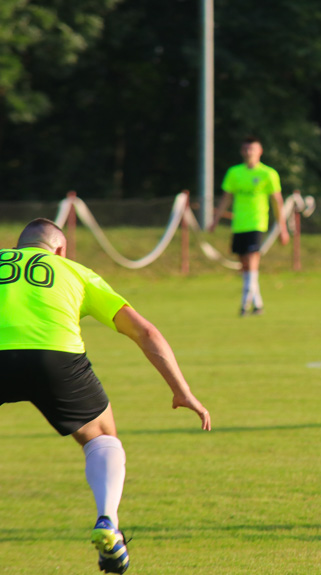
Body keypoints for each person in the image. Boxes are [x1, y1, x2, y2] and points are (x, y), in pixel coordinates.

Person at [0, 218, 211, 573]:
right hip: (55, 358)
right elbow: (145, 331)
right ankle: (107, 523)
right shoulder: (74, 271)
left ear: (15, 247)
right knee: (101, 438)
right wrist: (182, 390)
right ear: (60, 250)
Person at [208, 136, 289, 316]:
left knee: (252, 262)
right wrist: (215, 220)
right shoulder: (234, 173)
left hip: (257, 223)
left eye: (252, 149)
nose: (248, 152)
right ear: (241, 151)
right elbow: (226, 198)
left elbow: (277, 201)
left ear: (259, 151)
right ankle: (258, 304)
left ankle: (244, 304)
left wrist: (283, 228)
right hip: (239, 225)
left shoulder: (268, 174)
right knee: (245, 266)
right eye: (245, 149)